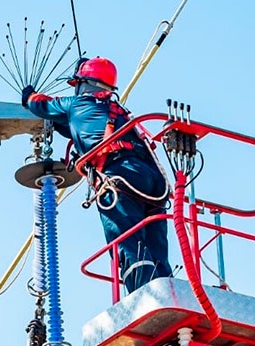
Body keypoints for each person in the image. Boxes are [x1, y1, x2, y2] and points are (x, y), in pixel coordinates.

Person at [22, 57, 172, 293]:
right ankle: (167, 291)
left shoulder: (75, 104)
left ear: (85, 84)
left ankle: (143, 296)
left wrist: (28, 94)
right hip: (153, 180)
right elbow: (73, 127)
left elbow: (40, 105)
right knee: (156, 243)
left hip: (120, 176)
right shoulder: (119, 112)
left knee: (128, 241)